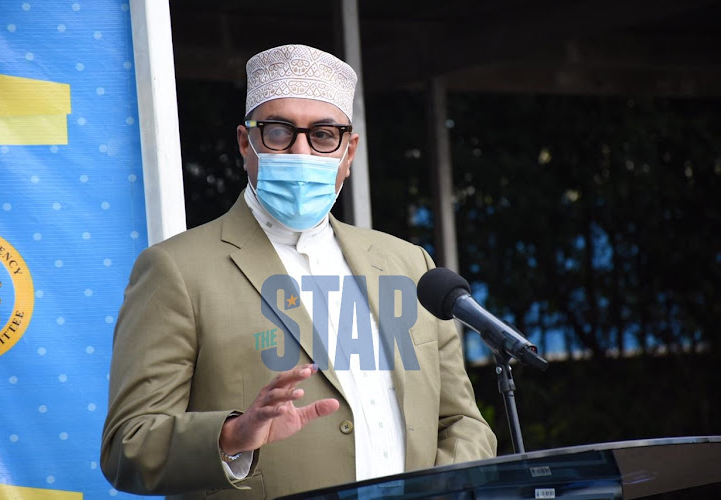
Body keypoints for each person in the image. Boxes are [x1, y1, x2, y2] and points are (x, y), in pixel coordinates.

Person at [101, 44, 496, 500]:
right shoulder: (178, 270)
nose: (301, 151)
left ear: (349, 152)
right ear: (245, 143)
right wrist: (232, 435)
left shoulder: (409, 266)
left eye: (324, 135)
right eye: (279, 132)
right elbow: (127, 446)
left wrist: (440, 490)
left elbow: (463, 423)